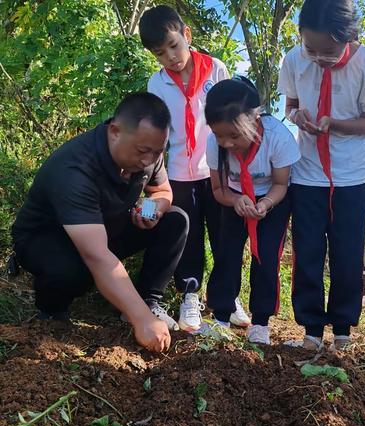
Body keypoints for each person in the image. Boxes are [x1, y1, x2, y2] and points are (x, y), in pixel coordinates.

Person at [11, 92, 189, 353]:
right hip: (49, 238)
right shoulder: (75, 169)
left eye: (157, 152)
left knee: (175, 220)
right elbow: (96, 256)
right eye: (142, 151)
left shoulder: (149, 152)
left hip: (104, 230)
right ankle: (52, 312)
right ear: (115, 131)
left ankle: (147, 300)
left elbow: (161, 192)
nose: (148, 160)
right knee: (75, 269)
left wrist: (149, 210)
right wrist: (142, 320)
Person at [278, 0, 365, 351]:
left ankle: (341, 330)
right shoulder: (294, 60)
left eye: (330, 50)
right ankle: (310, 330)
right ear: (299, 36)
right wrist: (299, 118)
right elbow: (290, 107)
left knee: (347, 253)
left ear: (349, 36)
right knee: (307, 251)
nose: (320, 58)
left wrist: (333, 124)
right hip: (307, 174)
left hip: (351, 176)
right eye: (312, 48)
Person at [139, 5, 250, 332]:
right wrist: (146, 201)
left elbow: (233, 121)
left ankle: (227, 300)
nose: (171, 57)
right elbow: (155, 140)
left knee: (223, 236)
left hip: (217, 171)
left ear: (186, 35)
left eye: (174, 46)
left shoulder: (216, 69)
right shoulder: (156, 84)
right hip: (177, 174)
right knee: (188, 238)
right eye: (161, 54)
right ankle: (190, 295)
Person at [203, 77, 300, 344]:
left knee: (266, 256)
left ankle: (260, 323)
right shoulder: (215, 145)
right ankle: (221, 316)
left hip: (272, 200)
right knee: (227, 253)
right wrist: (235, 201)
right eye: (219, 135)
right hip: (232, 197)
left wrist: (265, 204)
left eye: (234, 135)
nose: (226, 143)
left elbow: (281, 184)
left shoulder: (278, 138)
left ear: (255, 119)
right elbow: (218, 189)